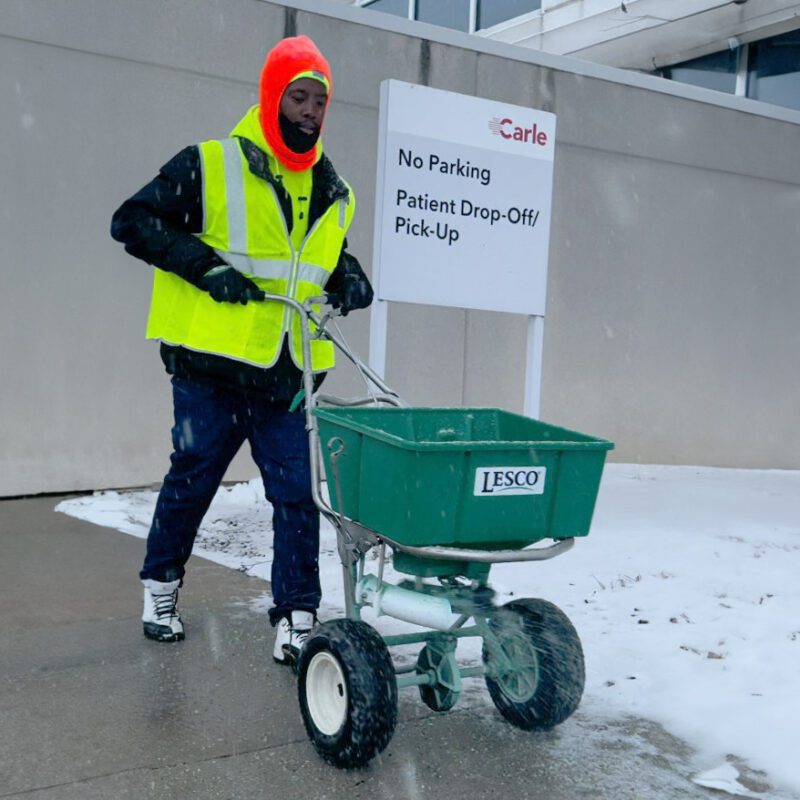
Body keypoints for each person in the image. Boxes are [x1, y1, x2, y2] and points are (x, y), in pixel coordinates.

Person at [110, 35, 372, 666]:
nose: (309, 111)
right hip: (210, 368)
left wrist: (350, 276)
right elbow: (133, 221)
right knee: (194, 478)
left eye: (319, 101)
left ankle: (297, 614)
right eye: (298, 97)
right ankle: (161, 588)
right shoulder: (211, 164)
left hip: (285, 371)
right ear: (271, 96)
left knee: (295, 492)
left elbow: (315, 259)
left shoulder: (335, 190)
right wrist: (205, 269)